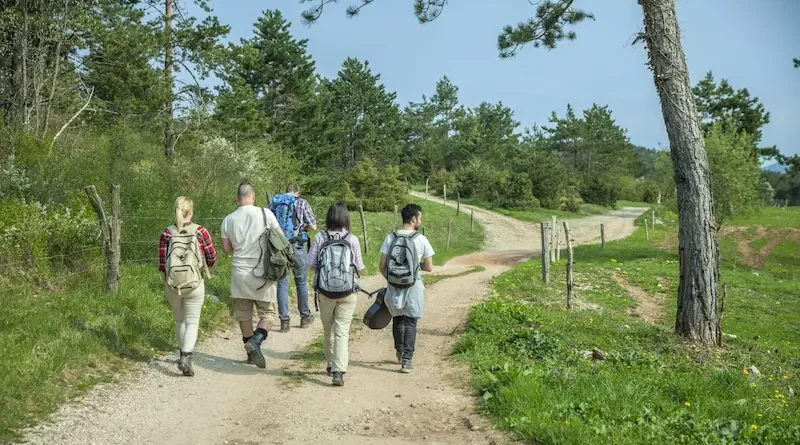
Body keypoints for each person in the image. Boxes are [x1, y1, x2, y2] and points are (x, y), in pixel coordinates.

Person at [221, 182, 282, 369]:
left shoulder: (228, 219)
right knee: (268, 313)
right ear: (253, 195)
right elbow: (280, 238)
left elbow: (226, 249)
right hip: (263, 272)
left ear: (237, 198)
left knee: (244, 315)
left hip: (240, 273)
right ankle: (257, 339)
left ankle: (250, 353)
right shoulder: (266, 214)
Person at [307, 202, 365, 386]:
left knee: (328, 330)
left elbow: (312, 264)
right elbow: (359, 267)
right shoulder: (352, 239)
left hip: (325, 292)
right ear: (346, 217)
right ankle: (338, 372)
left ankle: (331, 364)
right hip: (347, 292)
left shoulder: (320, 237)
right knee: (342, 331)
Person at [158, 196, 217, 377]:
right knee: (192, 321)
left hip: (173, 284)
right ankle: (186, 356)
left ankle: (182, 352)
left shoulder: (167, 233)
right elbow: (212, 258)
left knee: (179, 320)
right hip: (194, 283)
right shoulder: (200, 231)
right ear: (190, 211)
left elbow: (162, 263)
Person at [379, 203, 435, 374]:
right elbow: (429, 267)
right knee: (411, 322)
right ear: (414, 219)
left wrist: (393, 279)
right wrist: (414, 269)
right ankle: (407, 360)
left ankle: (399, 351)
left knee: (398, 319)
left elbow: (382, 266)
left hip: (393, 284)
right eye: (420, 218)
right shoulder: (421, 239)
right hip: (413, 284)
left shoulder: (390, 237)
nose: (421, 221)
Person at [269, 183, 317, 332]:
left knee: (282, 284)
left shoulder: (275, 202)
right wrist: (302, 228)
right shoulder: (301, 202)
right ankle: (305, 317)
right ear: (298, 192)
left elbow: (269, 225)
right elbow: (313, 226)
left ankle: (284, 321)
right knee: (301, 283)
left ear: (286, 191)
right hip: (297, 247)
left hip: (280, 247)